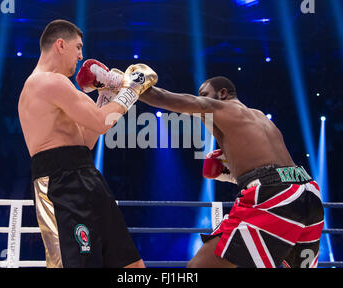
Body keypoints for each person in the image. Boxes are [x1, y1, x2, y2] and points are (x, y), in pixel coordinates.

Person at [139, 76, 325, 268]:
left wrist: (126, 85)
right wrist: (234, 174)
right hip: (308, 192)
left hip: (274, 195)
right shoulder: (259, 116)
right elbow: (272, 167)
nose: (201, 99)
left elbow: (161, 97)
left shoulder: (221, 108)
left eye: (204, 95)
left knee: (198, 267)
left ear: (222, 93)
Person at [18, 19, 157, 268]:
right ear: (60, 44)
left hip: (85, 175)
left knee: (131, 264)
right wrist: (132, 90)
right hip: (60, 185)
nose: (81, 55)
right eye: (78, 47)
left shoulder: (53, 86)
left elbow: (88, 138)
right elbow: (103, 123)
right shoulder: (48, 82)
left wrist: (105, 96)